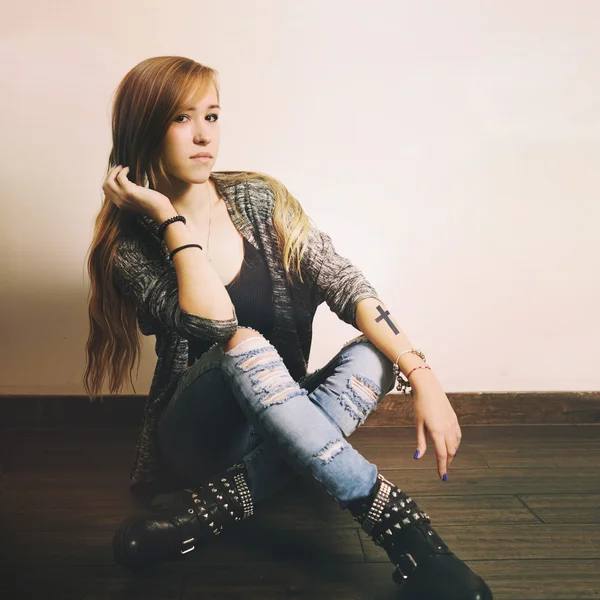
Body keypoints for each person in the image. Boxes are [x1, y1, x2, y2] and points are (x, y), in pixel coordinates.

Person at [84, 56, 493, 599]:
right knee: (240, 342)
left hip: (279, 415)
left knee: (376, 353)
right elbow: (213, 322)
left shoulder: (260, 200)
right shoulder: (128, 242)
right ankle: (404, 530)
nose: (204, 135)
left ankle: (219, 505)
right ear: (145, 129)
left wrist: (423, 375)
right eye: (182, 119)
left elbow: (348, 285)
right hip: (197, 437)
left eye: (212, 116)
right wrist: (165, 214)